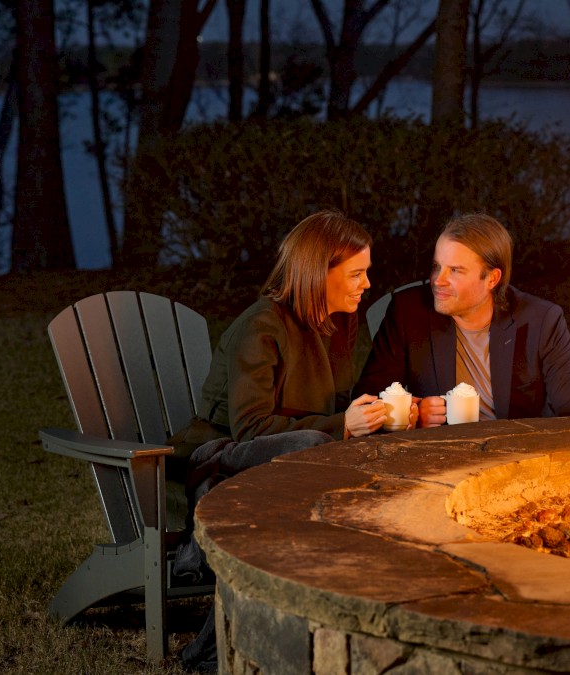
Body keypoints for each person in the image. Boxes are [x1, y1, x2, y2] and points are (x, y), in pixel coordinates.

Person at [174, 210, 413, 670]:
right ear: (316, 273)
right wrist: (342, 426)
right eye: (357, 274)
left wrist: (384, 414)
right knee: (310, 446)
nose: (367, 284)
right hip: (226, 457)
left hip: (301, 457)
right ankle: (214, 645)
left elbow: (336, 403)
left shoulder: (338, 323)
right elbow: (250, 429)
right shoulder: (261, 326)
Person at [356, 213, 570, 426]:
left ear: (492, 279)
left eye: (455, 270)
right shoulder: (408, 311)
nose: (437, 280)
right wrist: (411, 412)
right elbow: (366, 400)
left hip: (516, 455)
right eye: (436, 266)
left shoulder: (540, 320)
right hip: (439, 457)